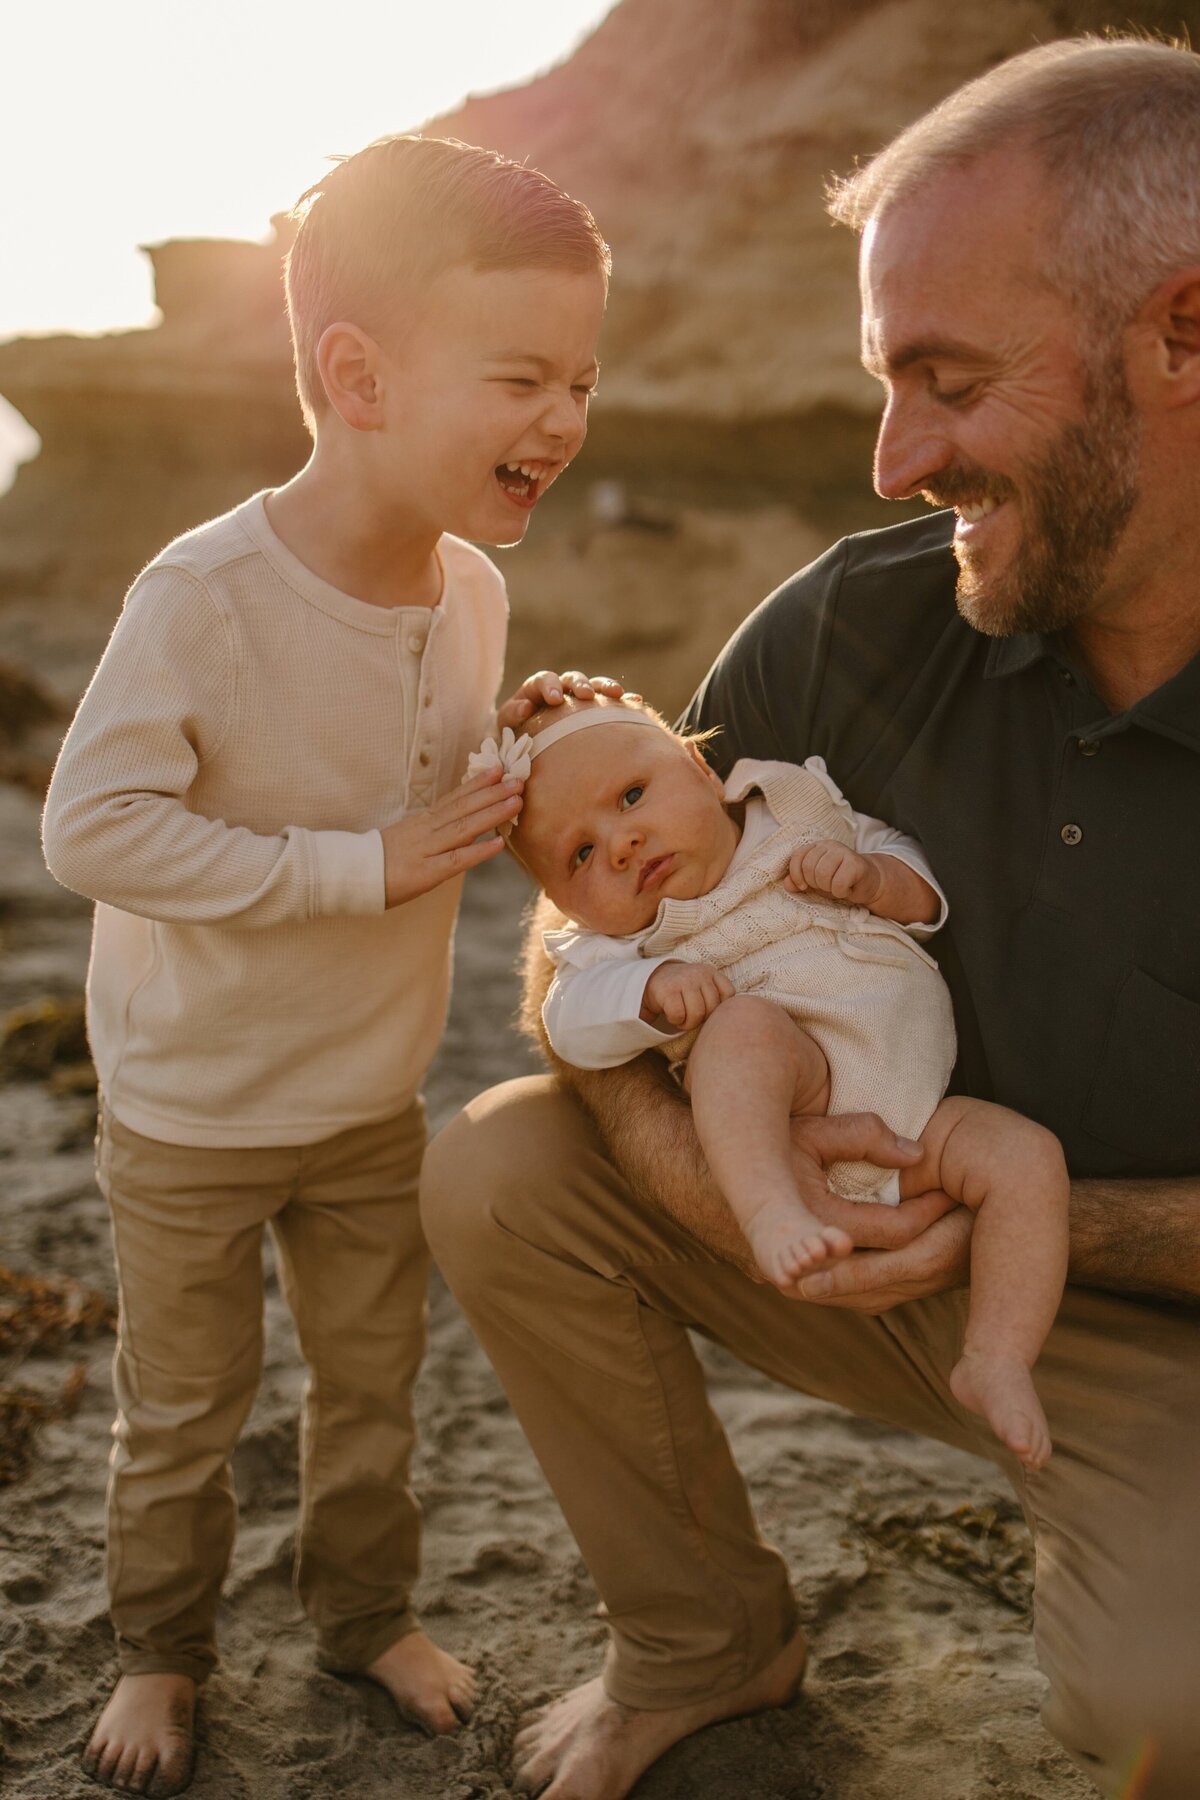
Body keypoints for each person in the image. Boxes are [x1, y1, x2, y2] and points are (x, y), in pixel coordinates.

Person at [420, 35, 1200, 1800]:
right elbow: (593, 926)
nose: (890, 457)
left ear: (1185, 331)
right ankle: (705, 1642)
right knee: (500, 1166)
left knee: (1174, 1709)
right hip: (840, 1219)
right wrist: (741, 1188)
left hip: (1156, 1321)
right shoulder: (855, 624)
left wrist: (1043, 1219)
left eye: (945, 378)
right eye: (880, 379)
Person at [42, 134, 609, 1797]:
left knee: (370, 1392)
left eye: (580, 376)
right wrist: (347, 869)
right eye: (520, 377)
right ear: (353, 376)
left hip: (369, 1094)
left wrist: (535, 754)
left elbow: (431, 796)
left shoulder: (479, 592)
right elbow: (92, 829)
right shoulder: (202, 596)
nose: (566, 419)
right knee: (184, 1413)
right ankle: (161, 1646)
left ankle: (361, 1613)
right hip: (192, 1108)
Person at [499, 691, 1066, 1467]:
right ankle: (771, 1214)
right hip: (798, 1100)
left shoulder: (798, 811)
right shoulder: (616, 951)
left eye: (632, 797)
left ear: (701, 768)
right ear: (561, 903)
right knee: (743, 1027)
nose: (623, 843)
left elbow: (921, 885)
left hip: (920, 1127)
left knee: (1028, 1160)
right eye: (582, 856)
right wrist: (650, 994)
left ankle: (997, 1356)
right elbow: (569, 1022)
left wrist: (874, 879)